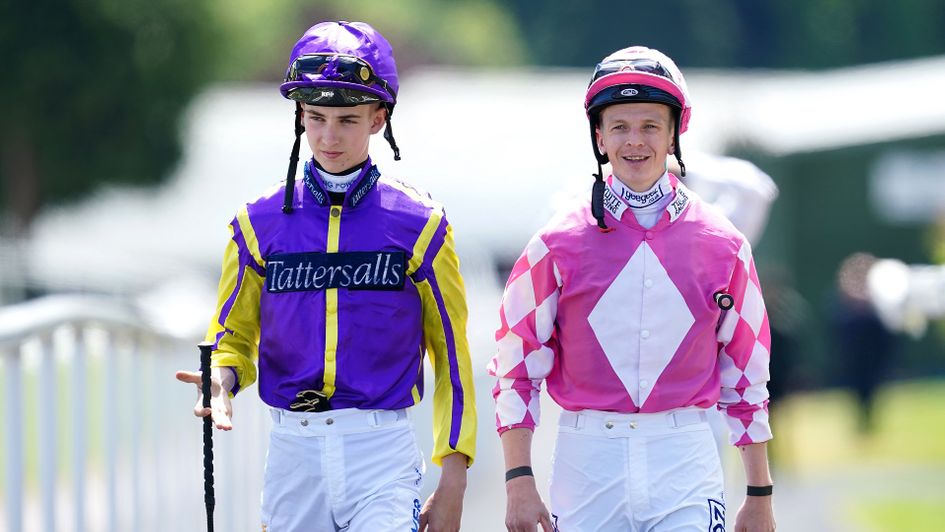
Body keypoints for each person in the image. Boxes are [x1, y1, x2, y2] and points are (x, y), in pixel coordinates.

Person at [176, 21, 476, 532]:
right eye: (315, 118)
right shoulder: (256, 222)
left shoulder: (421, 224)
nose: (328, 136)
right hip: (293, 454)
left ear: (379, 118)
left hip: (382, 450)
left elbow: (451, 356)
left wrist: (453, 477)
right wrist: (221, 381)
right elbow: (232, 338)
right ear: (300, 115)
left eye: (347, 120)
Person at [488, 46, 776, 531]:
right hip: (586, 463)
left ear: (674, 133)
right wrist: (519, 480)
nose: (634, 141)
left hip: (684, 457)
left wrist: (760, 494)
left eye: (649, 126)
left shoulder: (725, 243)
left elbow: (746, 373)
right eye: (620, 127)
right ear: (599, 137)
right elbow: (516, 363)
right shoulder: (555, 242)